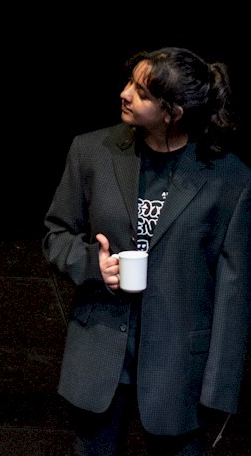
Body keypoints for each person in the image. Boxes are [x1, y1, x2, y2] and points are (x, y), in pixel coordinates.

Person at [43, 47, 245, 455]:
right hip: (100, 354)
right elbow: (56, 233)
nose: (125, 93)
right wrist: (91, 265)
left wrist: (221, 387)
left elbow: (234, 289)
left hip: (178, 366)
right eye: (130, 82)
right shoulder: (92, 151)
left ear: (173, 112)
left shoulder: (227, 177)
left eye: (142, 91)